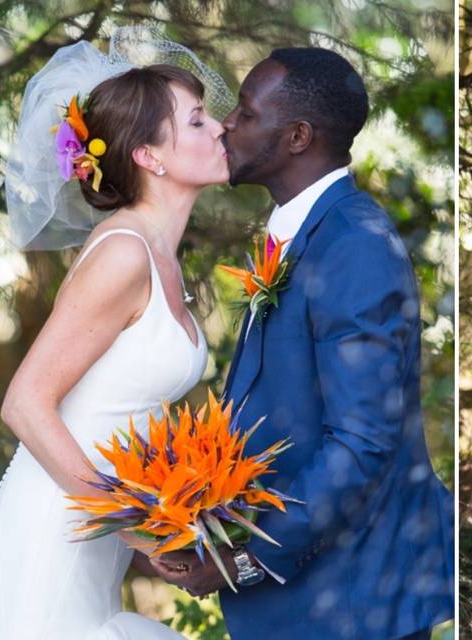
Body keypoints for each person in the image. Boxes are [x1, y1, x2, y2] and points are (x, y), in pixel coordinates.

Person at [150, 48, 455, 640]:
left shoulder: (353, 244)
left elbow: (362, 442)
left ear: (296, 136)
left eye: (244, 111)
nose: (225, 125)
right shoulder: (303, 232)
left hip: (351, 602)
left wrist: (243, 557)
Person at [0, 29, 233, 639]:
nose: (221, 129)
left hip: (94, 544)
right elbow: (24, 404)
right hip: (50, 539)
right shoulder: (124, 253)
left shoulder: (159, 254)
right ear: (151, 156)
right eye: (197, 121)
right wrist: (134, 524)